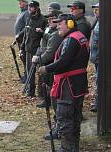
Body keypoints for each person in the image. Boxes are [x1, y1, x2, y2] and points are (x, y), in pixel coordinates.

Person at [38, 13, 89, 151]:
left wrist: (46, 69)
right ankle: (74, 147)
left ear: (70, 24)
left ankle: (66, 149)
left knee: (65, 118)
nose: (58, 26)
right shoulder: (79, 36)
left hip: (69, 85)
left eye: (61, 23)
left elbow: (63, 62)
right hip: (77, 84)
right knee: (75, 117)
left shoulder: (71, 40)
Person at [33, 9, 63, 108]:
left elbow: (51, 52)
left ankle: (51, 102)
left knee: (50, 84)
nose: (49, 21)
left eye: (52, 19)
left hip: (50, 61)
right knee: (46, 83)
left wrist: (39, 59)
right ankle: (47, 101)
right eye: (49, 19)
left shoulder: (57, 33)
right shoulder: (50, 29)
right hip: (45, 59)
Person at [20, 0, 47, 97]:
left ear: (37, 8)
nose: (29, 9)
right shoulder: (28, 19)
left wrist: (42, 31)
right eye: (29, 7)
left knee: (40, 72)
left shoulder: (43, 20)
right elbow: (25, 35)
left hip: (38, 50)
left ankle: (41, 93)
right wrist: (22, 48)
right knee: (29, 71)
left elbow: (47, 35)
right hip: (28, 49)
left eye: (31, 7)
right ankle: (30, 92)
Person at [14, 0, 29, 83]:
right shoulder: (21, 13)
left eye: (22, 1)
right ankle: (26, 74)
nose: (20, 3)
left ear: (26, 3)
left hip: (23, 39)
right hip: (20, 39)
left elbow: (27, 27)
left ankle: (27, 76)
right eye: (19, 1)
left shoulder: (26, 13)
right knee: (22, 57)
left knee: (25, 57)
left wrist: (19, 35)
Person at [90, 3, 99, 112]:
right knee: (97, 80)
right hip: (96, 57)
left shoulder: (105, 22)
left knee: (99, 81)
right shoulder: (98, 21)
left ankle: (98, 103)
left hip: (101, 57)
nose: (95, 11)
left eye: (97, 9)